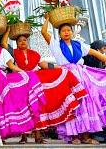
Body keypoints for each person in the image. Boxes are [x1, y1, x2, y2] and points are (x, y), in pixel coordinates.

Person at [1, 28, 87, 144]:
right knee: (23, 108)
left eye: (25, 40)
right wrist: (8, 30)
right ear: (16, 43)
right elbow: (4, 43)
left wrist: (59, 68)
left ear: (28, 42)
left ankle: (38, 136)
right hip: (21, 84)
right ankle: (24, 137)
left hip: (34, 83)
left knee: (37, 108)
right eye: (20, 41)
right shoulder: (14, 53)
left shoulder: (35, 54)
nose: (22, 42)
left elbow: (45, 65)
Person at [41, 14, 106, 144]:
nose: (66, 32)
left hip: (81, 77)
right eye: (63, 31)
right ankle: (74, 136)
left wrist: (104, 59)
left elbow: (94, 52)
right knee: (72, 105)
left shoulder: (79, 45)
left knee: (86, 104)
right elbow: (44, 32)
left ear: (72, 32)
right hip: (66, 77)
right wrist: (47, 18)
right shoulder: (56, 45)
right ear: (59, 34)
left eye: (68, 30)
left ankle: (86, 136)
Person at [0, 28, 45, 139]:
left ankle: (2, 134)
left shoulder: (3, 52)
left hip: (0, 78)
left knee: (2, 105)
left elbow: (11, 66)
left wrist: (24, 73)